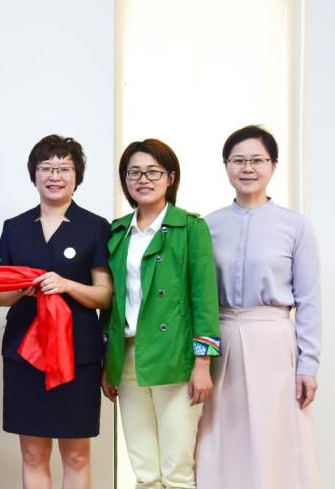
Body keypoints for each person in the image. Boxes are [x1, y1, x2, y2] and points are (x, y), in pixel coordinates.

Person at [195, 125, 321, 489]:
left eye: (257, 160)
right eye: (238, 160)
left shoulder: (295, 227)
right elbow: (199, 298)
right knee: (220, 435)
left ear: (273, 165)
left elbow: (310, 300)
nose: (247, 168)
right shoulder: (207, 226)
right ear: (226, 166)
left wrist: (309, 364)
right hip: (221, 342)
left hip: (274, 343)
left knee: (274, 435)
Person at [0, 136, 112, 489]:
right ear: (34, 175)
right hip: (25, 355)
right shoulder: (14, 227)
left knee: (76, 455)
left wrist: (66, 285)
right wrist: (22, 288)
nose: (54, 176)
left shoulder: (95, 226)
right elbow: (0, 297)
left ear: (77, 176)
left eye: (64, 169)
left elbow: (104, 295)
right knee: (32, 455)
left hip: (77, 356)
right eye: (46, 168)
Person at [101, 139, 219, 489]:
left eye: (153, 172)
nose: (143, 179)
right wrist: (108, 364)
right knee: (145, 471)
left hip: (176, 357)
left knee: (177, 471)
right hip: (127, 356)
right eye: (134, 172)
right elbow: (110, 304)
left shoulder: (190, 228)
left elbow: (205, 299)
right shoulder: (117, 231)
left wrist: (202, 364)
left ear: (171, 177)